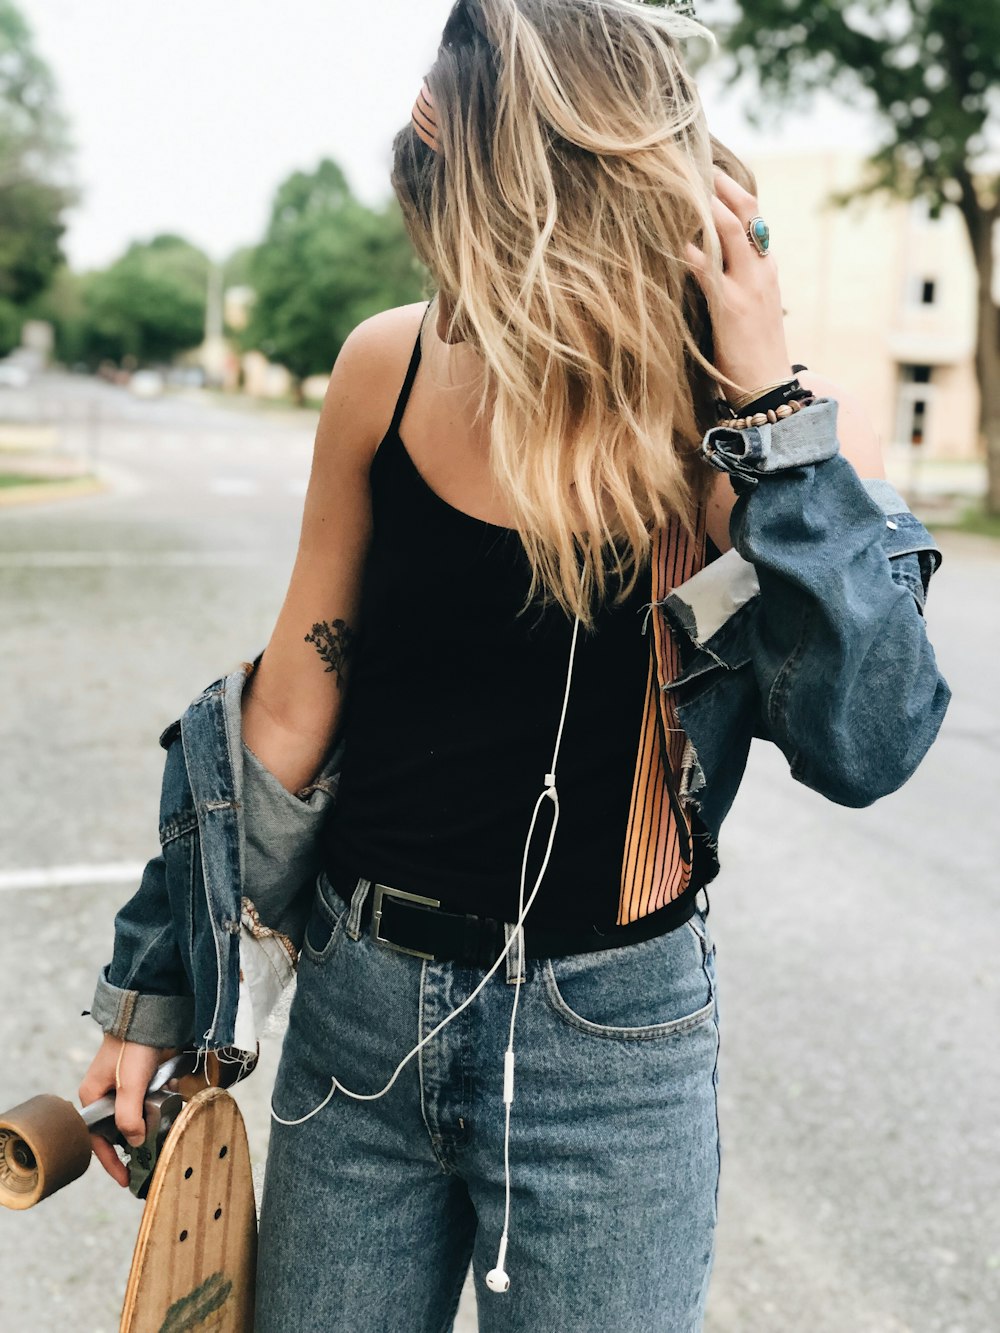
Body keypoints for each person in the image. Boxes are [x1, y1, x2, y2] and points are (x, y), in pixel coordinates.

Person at [78, 2, 950, 1330]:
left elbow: (871, 737)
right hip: (359, 1020)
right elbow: (287, 714)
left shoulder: (725, 423)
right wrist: (157, 981)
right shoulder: (392, 362)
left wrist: (773, 419)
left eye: (454, 177)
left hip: (611, 1049)